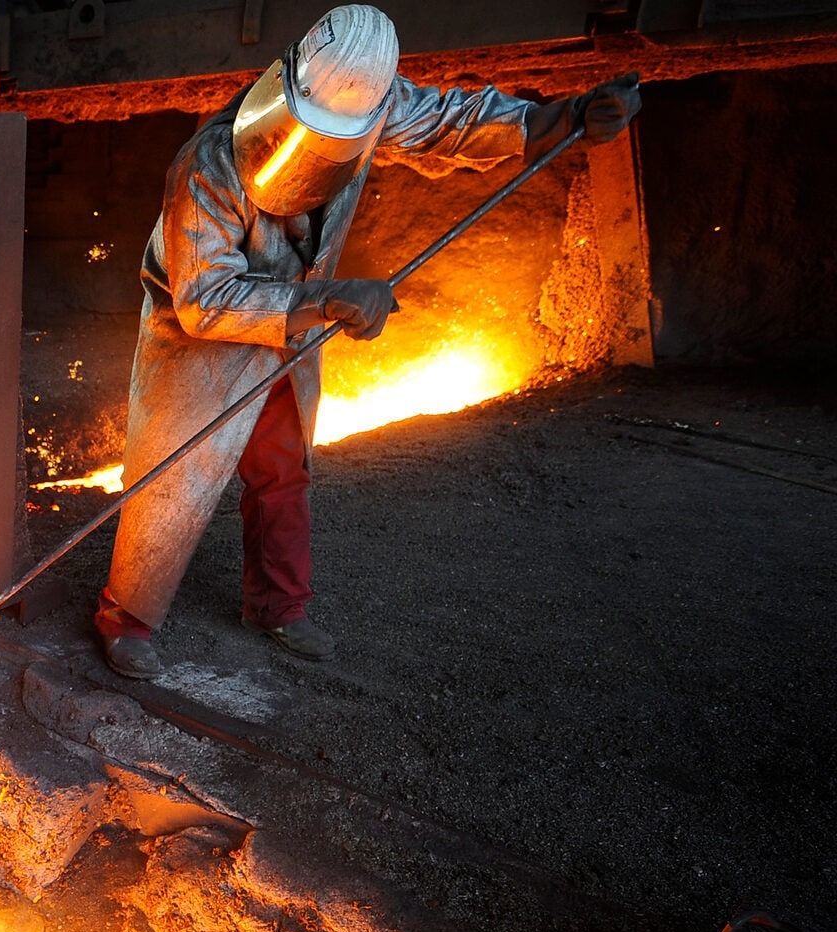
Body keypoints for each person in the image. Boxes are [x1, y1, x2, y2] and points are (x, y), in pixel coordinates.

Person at [98, 4, 640, 675]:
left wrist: (560, 118)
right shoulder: (208, 166)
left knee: (282, 469)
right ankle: (128, 619)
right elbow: (205, 301)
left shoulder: (369, 105)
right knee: (172, 475)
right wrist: (323, 299)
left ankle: (277, 606)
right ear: (287, 91)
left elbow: (450, 121)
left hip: (287, 330)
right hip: (200, 335)